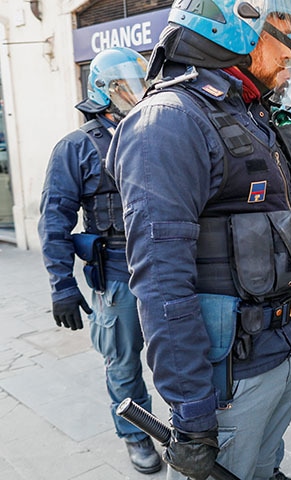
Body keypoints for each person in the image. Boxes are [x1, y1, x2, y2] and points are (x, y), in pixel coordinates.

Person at [106, 1, 291, 479]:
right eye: (284, 37)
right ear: (235, 31)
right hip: (229, 380)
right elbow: (162, 285)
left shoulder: (245, 113)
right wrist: (192, 412)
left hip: (272, 354)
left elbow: (285, 236)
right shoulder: (169, 120)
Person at [37, 47, 161, 474]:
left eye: (138, 84)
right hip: (117, 276)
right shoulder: (75, 147)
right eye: (124, 86)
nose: (136, 94)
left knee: (179, 354)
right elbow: (54, 220)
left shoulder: (154, 133)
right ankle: (136, 433)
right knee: (123, 363)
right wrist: (63, 287)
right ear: (103, 93)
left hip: (166, 269)